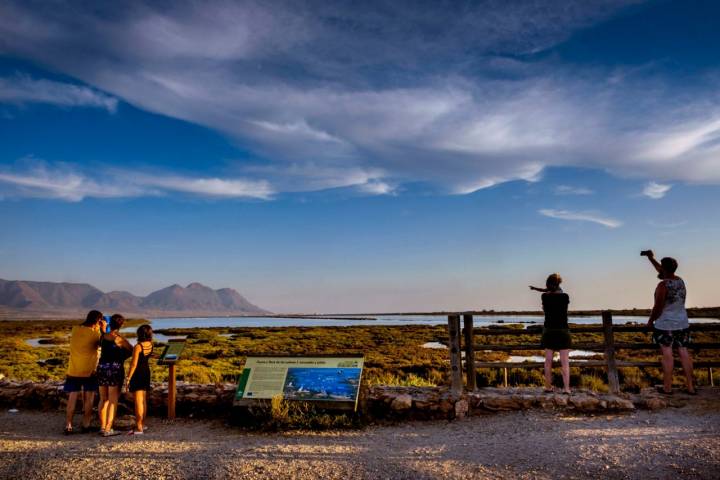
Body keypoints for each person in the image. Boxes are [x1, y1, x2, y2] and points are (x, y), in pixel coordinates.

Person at [643, 250, 695, 394]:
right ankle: (690, 387)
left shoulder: (663, 286)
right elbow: (661, 269)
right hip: (682, 323)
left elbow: (658, 307)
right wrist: (650, 258)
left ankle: (667, 387)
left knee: (667, 354)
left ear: (663, 268)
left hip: (665, 324)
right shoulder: (680, 281)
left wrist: (649, 322)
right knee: (684, 352)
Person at [64, 310, 105, 434]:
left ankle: (68, 425)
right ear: (98, 321)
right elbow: (104, 343)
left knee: (72, 397)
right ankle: (86, 424)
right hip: (89, 371)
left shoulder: (75, 330)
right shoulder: (95, 335)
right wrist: (103, 329)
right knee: (89, 398)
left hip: (73, 370)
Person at [530, 273, 571, 394]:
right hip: (563, 330)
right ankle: (567, 389)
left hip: (549, 330)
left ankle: (548, 387)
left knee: (548, 361)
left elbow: (544, 308)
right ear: (559, 284)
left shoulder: (544, 297)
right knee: (565, 362)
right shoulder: (565, 296)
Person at [96, 314, 132, 436]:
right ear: (122, 324)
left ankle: (102, 427)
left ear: (110, 323)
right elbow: (131, 350)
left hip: (102, 368)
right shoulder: (119, 339)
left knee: (103, 399)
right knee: (113, 400)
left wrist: (103, 328)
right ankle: (108, 428)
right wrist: (121, 357)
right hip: (115, 369)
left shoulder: (103, 336)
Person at [125, 325, 153, 434]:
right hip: (146, 372)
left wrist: (128, 378)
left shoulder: (138, 346)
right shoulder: (150, 345)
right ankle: (143, 424)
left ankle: (139, 427)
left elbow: (133, 364)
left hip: (138, 373)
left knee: (138, 401)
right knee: (143, 400)